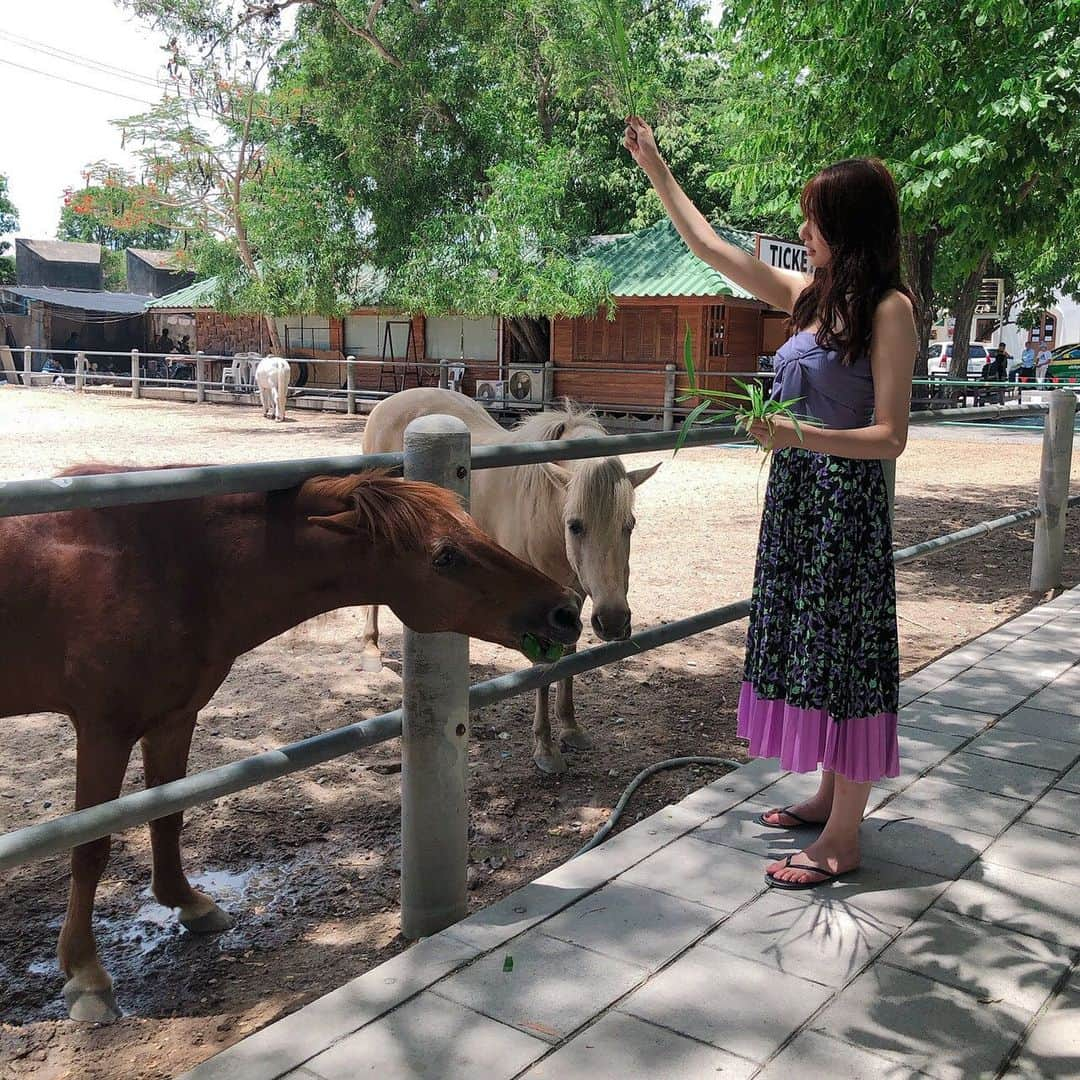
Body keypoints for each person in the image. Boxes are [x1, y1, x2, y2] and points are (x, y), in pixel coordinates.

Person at [625, 119, 916, 889]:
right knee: (815, 658)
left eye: (814, 218)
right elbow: (713, 252)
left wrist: (796, 433)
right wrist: (658, 169)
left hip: (843, 517)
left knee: (848, 665)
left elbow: (890, 437)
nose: (802, 229)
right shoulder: (811, 300)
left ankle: (844, 839)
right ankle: (829, 797)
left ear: (846, 227)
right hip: (797, 511)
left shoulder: (889, 311)